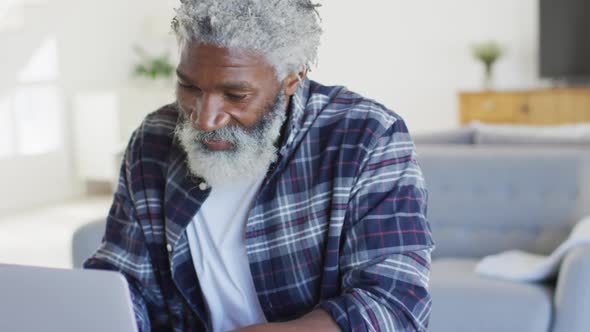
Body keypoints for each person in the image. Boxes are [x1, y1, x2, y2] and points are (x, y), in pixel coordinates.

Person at [84, 1, 435, 331]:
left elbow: (394, 305)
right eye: (189, 87)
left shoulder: (367, 136)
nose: (205, 119)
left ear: (293, 78)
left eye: (235, 95)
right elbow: (124, 281)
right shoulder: (153, 141)